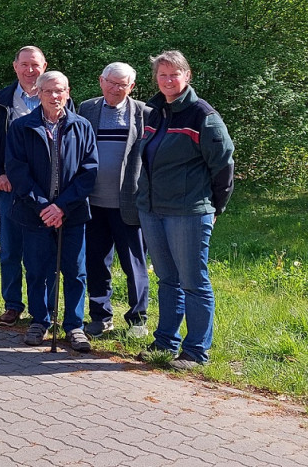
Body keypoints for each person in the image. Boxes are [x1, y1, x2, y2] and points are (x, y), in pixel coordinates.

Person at [136, 50, 234, 370]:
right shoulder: (155, 111)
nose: (167, 80)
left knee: (193, 281)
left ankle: (195, 351)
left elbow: (223, 166)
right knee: (168, 279)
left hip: (188, 211)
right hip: (153, 210)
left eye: (174, 75)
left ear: (187, 76)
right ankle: (165, 341)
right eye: (162, 75)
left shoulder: (202, 115)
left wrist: (215, 207)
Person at [5, 71, 97, 353]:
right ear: (38, 94)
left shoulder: (82, 126)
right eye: (48, 91)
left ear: (67, 93)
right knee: (36, 269)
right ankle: (40, 320)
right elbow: (17, 172)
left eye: (60, 91)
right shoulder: (21, 127)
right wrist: (44, 207)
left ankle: (74, 326)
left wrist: (62, 206)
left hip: (72, 213)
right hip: (35, 213)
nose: (54, 96)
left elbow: (89, 171)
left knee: (76, 271)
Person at [0, 46, 57, 325]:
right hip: (9, 189)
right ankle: (12, 304)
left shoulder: (57, 99)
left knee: (42, 252)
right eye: (25, 65)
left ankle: (42, 309)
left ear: (44, 66)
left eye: (35, 65)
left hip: (46, 192)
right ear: (15, 66)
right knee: (10, 250)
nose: (30, 70)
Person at [78, 62, 151, 338]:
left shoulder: (144, 113)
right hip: (93, 203)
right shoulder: (87, 109)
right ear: (101, 81)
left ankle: (137, 320)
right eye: (111, 82)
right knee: (96, 263)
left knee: (135, 265)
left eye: (122, 84)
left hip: (129, 204)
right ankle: (100, 317)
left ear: (131, 87)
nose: (115, 88)